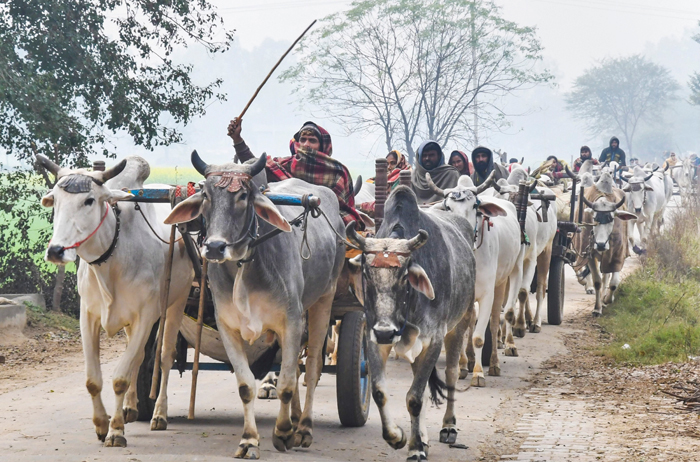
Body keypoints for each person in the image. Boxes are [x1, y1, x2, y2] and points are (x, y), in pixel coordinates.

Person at [227, 117, 362, 227]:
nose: (306, 144)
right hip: (287, 222)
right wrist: (237, 139)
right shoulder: (283, 165)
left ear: (323, 146)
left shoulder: (338, 172)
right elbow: (256, 169)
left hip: (324, 225)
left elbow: (342, 211)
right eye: (302, 140)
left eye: (312, 141)